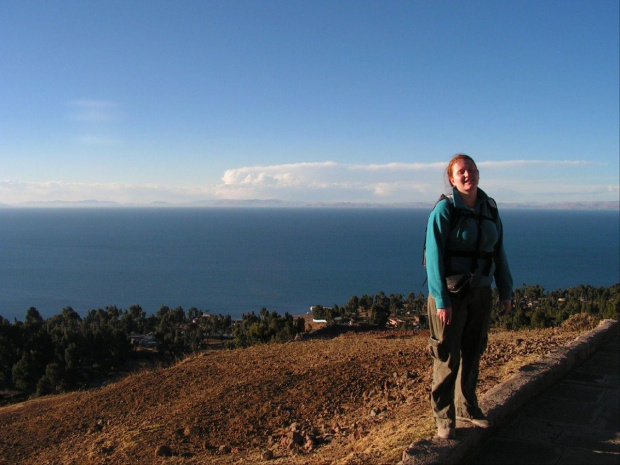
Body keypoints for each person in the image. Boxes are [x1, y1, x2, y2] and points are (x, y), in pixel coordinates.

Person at [425, 153, 513, 439]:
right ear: (452, 178)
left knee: (473, 352)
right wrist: (441, 300)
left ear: (478, 174)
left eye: (471, 170)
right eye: (460, 172)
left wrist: (506, 290)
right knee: (447, 357)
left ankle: (468, 408)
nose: (467, 175)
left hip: (480, 293)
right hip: (450, 295)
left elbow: (498, 252)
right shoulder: (444, 209)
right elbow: (434, 257)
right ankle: (444, 416)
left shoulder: (490, 208)